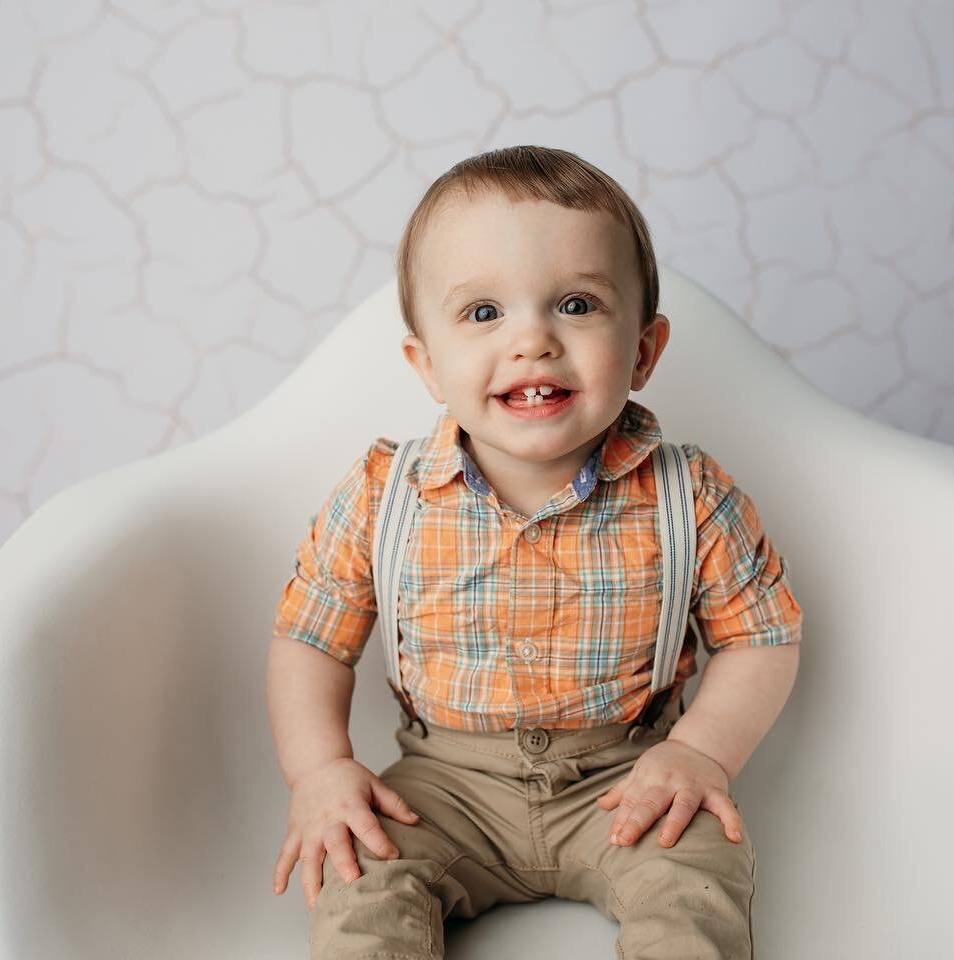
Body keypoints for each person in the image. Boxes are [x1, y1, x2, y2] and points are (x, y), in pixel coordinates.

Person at [266, 144, 802, 958]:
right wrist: (320, 771)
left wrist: (698, 754)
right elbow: (310, 643)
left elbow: (760, 638)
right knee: (361, 876)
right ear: (427, 365)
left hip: (625, 778)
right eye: (484, 314)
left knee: (694, 873)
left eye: (578, 305)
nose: (534, 342)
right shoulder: (385, 492)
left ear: (646, 351)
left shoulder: (689, 494)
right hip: (442, 788)